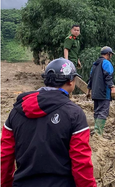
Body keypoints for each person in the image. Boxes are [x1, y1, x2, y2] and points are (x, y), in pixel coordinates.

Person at [1, 58, 96, 187]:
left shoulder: (16, 112)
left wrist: (5, 184)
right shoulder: (74, 114)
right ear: (70, 81)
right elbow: (81, 164)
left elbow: (5, 157)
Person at [87, 46, 115, 135]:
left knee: (97, 111)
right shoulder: (106, 63)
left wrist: (88, 91)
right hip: (104, 92)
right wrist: (112, 87)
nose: (111, 56)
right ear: (108, 54)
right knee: (103, 112)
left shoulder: (95, 64)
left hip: (95, 93)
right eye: (111, 54)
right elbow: (108, 76)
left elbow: (90, 79)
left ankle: (96, 130)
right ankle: (98, 132)